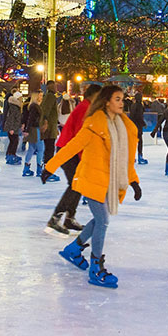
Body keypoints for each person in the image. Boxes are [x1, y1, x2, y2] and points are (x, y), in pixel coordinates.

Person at [43, 85, 142, 289]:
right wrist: (50, 167)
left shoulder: (125, 127)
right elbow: (72, 146)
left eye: (122, 99)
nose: (122, 103)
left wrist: (133, 181)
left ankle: (73, 249)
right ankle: (96, 267)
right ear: (106, 101)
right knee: (103, 221)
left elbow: (127, 159)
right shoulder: (94, 124)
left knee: (100, 220)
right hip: (91, 178)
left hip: (109, 181)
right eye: (117, 99)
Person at [45, 83, 102, 235]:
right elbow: (80, 137)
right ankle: (56, 218)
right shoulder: (85, 109)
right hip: (68, 150)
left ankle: (69, 217)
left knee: (78, 184)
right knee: (75, 184)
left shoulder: (87, 107)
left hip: (71, 150)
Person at [21, 91, 45, 177]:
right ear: (36, 97)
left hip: (32, 129)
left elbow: (27, 118)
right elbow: (30, 119)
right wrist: (26, 130)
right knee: (41, 149)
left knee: (31, 148)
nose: (42, 97)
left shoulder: (32, 106)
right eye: (40, 96)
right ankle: (39, 169)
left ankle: (26, 168)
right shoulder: (35, 107)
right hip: (35, 129)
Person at [40, 80, 59, 164]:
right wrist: (45, 122)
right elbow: (46, 110)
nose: (56, 88)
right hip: (49, 127)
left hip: (50, 126)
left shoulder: (47, 96)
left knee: (48, 147)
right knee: (50, 147)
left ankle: (46, 166)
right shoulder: (50, 96)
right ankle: (48, 167)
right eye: (55, 86)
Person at [3, 91, 23, 164]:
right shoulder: (14, 107)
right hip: (13, 128)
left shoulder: (15, 106)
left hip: (14, 127)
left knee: (13, 142)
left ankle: (10, 155)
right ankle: (11, 156)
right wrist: (11, 128)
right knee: (14, 142)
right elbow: (11, 118)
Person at [129, 91, 147, 165]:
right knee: (139, 142)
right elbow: (139, 116)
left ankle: (132, 157)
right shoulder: (139, 106)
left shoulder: (133, 105)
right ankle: (140, 157)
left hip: (132, 125)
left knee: (133, 142)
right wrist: (143, 123)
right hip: (138, 126)